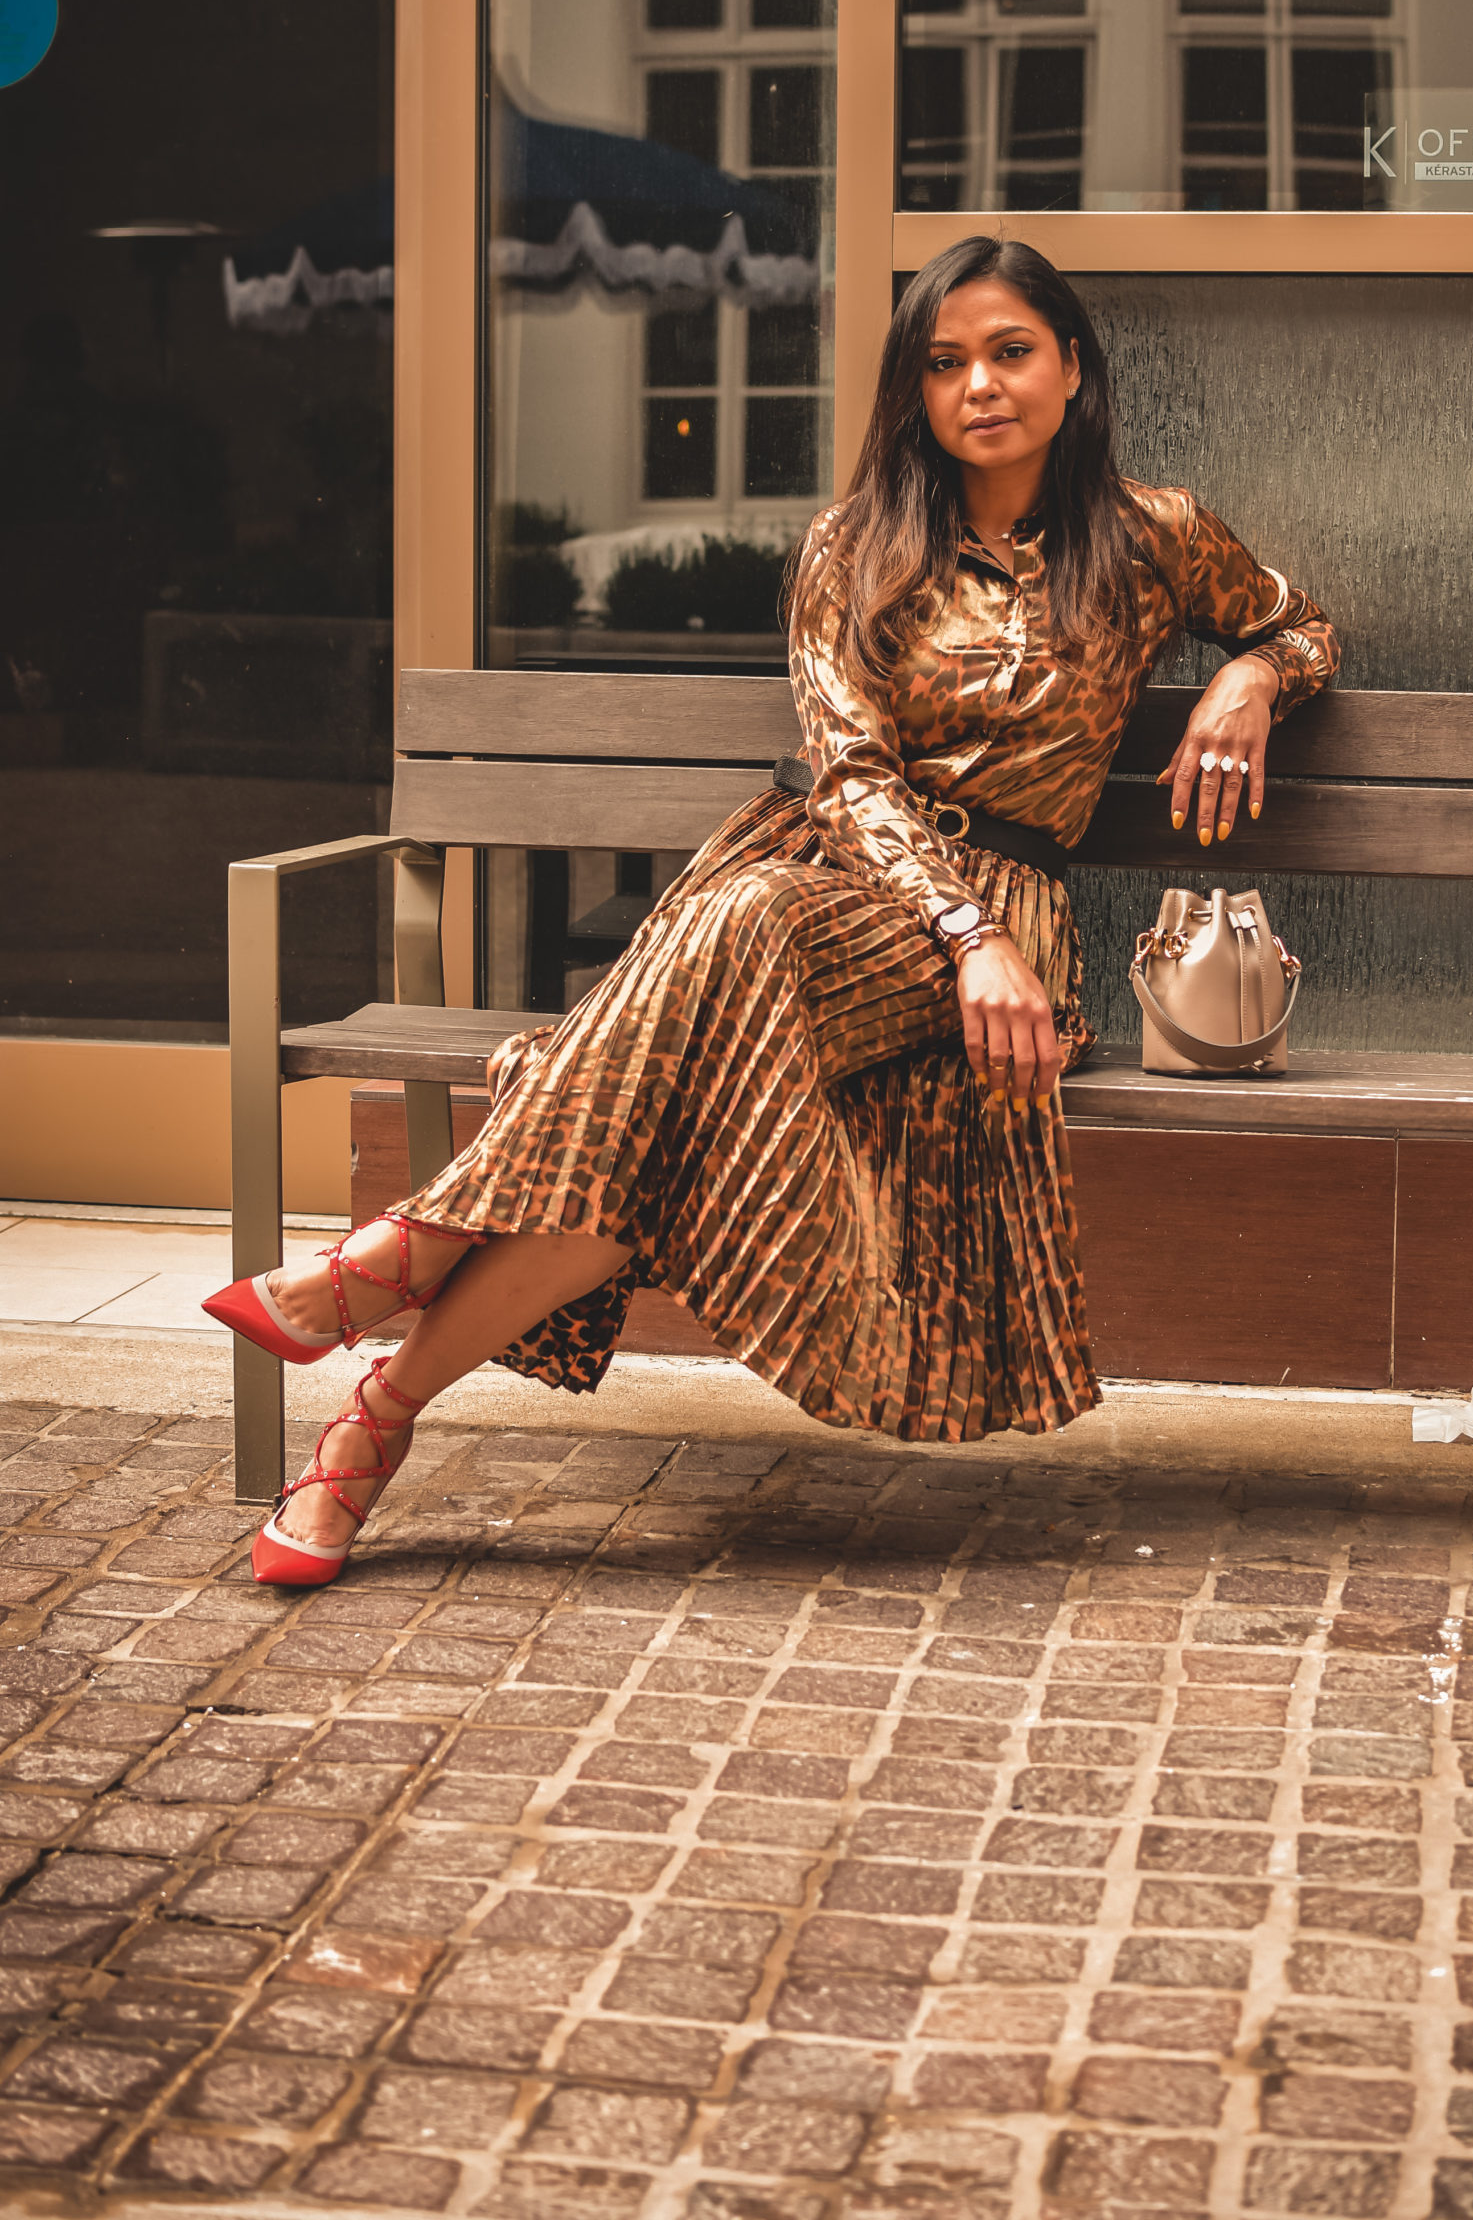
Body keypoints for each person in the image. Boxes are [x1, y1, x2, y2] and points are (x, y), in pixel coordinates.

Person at [206, 237, 1340, 1585]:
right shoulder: (856, 546)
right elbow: (850, 768)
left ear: (1074, 366)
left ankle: (398, 1267)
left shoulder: (1156, 537)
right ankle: (374, 1420)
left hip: (993, 919)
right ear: (912, 392)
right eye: (944, 362)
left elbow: (1302, 623)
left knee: (726, 944)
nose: (980, 383)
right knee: (674, 1106)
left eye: (1011, 350)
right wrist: (952, 929)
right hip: (830, 883)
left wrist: (1252, 679)